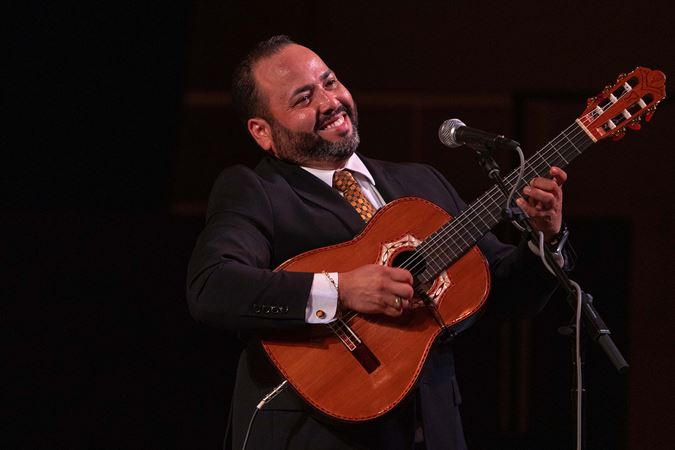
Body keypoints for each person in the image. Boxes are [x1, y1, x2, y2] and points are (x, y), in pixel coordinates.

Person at [187, 35, 568, 450]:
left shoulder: (421, 183)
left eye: (330, 82)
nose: (329, 102)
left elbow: (511, 293)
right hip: (319, 434)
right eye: (303, 98)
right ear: (262, 132)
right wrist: (342, 289)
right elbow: (213, 287)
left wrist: (544, 238)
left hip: (434, 431)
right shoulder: (256, 190)